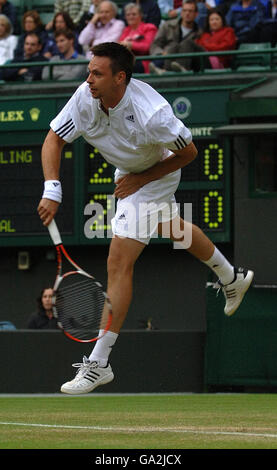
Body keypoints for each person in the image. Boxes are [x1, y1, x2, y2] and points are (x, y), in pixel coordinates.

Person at [37, 42, 254, 394]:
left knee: (118, 263)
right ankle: (232, 276)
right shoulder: (84, 97)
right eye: (89, 71)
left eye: (97, 73)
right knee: (173, 227)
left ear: (120, 78)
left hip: (155, 172)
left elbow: (190, 153)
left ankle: (99, 362)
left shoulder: (152, 112)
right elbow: (53, 139)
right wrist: (52, 189)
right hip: (130, 169)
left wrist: (141, 180)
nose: (88, 79)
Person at [149, 0, 204, 74]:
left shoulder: (200, 32)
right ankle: (164, 70)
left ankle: (175, 69)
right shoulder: (167, 25)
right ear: (181, 13)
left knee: (187, 43)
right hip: (167, 58)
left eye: (190, 11)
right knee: (173, 46)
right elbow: (155, 44)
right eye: (185, 10)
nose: (187, 13)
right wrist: (161, 53)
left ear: (196, 14)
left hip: (190, 64)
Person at [119, 3, 158, 73]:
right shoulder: (126, 30)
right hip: (127, 61)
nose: (131, 17)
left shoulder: (149, 27)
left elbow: (147, 46)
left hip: (143, 62)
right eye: (128, 15)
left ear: (140, 15)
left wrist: (130, 45)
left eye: (134, 14)